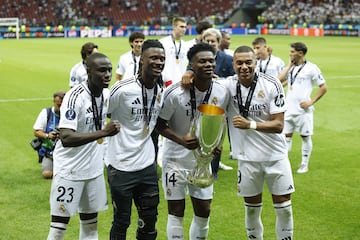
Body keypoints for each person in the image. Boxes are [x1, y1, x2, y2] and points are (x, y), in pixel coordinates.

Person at [156, 42, 229, 240]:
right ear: (191, 65)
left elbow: (225, 121)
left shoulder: (223, 91)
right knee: (176, 210)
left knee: (204, 210)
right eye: (202, 61)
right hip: (175, 160)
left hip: (202, 161)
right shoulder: (175, 93)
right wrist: (180, 140)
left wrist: (217, 144)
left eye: (211, 61)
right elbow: (159, 125)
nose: (208, 64)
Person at [46, 52, 120, 240]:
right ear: (88, 71)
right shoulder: (75, 96)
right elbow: (67, 137)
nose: (107, 75)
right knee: (58, 228)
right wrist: (104, 132)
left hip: (93, 170)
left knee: (90, 225)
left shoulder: (106, 94)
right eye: (102, 70)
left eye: (109, 70)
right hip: (69, 170)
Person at [224, 46, 294, 239]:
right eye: (239, 63)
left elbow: (279, 125)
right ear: (234, 64)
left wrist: (250, 125)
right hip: (247, 159)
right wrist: (189, 72)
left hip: (275, 157)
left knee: (284, 209)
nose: (244, 67)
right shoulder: (227, 85)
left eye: (249, 62)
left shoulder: (272, 84)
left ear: (256, 63)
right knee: (252, 210)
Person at [105, 39, 165, 240]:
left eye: (162, 59)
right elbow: (104, 116)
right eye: (154, 58)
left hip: (147, 166)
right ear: (141, 60)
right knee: (121, 221)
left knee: (149, 222)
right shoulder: (121, 89)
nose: (159, 62)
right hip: (120, 166)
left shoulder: (160, 90)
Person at [278, 42, 328, 174]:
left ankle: (304, 164)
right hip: (288, 108)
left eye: (292, 52)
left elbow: (323, 87)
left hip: (303, 111)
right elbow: (284, 81)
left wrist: (311, 101)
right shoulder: (291, 68)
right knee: (285, 137)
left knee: (305, 137)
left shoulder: (312, 68)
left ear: (300, 53)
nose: (290, 54)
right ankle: (284, 164)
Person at [202, 28, 234, 174]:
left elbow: (235, 79)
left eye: (212, 41)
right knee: (201, 136)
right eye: (207, 41)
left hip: (221, 105)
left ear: (219, 43)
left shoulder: (227, 59)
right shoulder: (197, 57)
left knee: (217, 137)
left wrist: (219, 80)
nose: (210, 43)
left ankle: (213, 171)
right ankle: (200, 165)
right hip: (201, 103)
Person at [33, 90, 65, 179]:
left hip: (66, 152)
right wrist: (48, 136)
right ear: (54, 102)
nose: (61, 107)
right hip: (50, 152)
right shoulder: (46, 113)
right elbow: (36, 131)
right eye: (58, 105)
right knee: (47, 174)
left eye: (63, 105)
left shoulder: (69, 115)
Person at [159, 17, 189, 87]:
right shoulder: (163, 42)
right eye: (181, 27)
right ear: (174, 27)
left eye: (185, 27)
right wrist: (166, 79)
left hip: (181, 83)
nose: (184, 29)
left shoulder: (186, 45)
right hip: (166, 82)